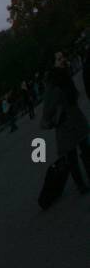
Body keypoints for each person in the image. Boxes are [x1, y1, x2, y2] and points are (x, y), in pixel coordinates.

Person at [41, 51, 90, 195]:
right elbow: (49, 105)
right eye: (59, 59)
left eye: (63, 57)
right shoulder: (53, 80)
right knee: (72, 156)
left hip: (74, 117)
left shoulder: (64, 75)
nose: (62, 60)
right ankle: (80, 184)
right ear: (53, 63)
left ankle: (84, 181)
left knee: (84, 150)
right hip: (65, 121)